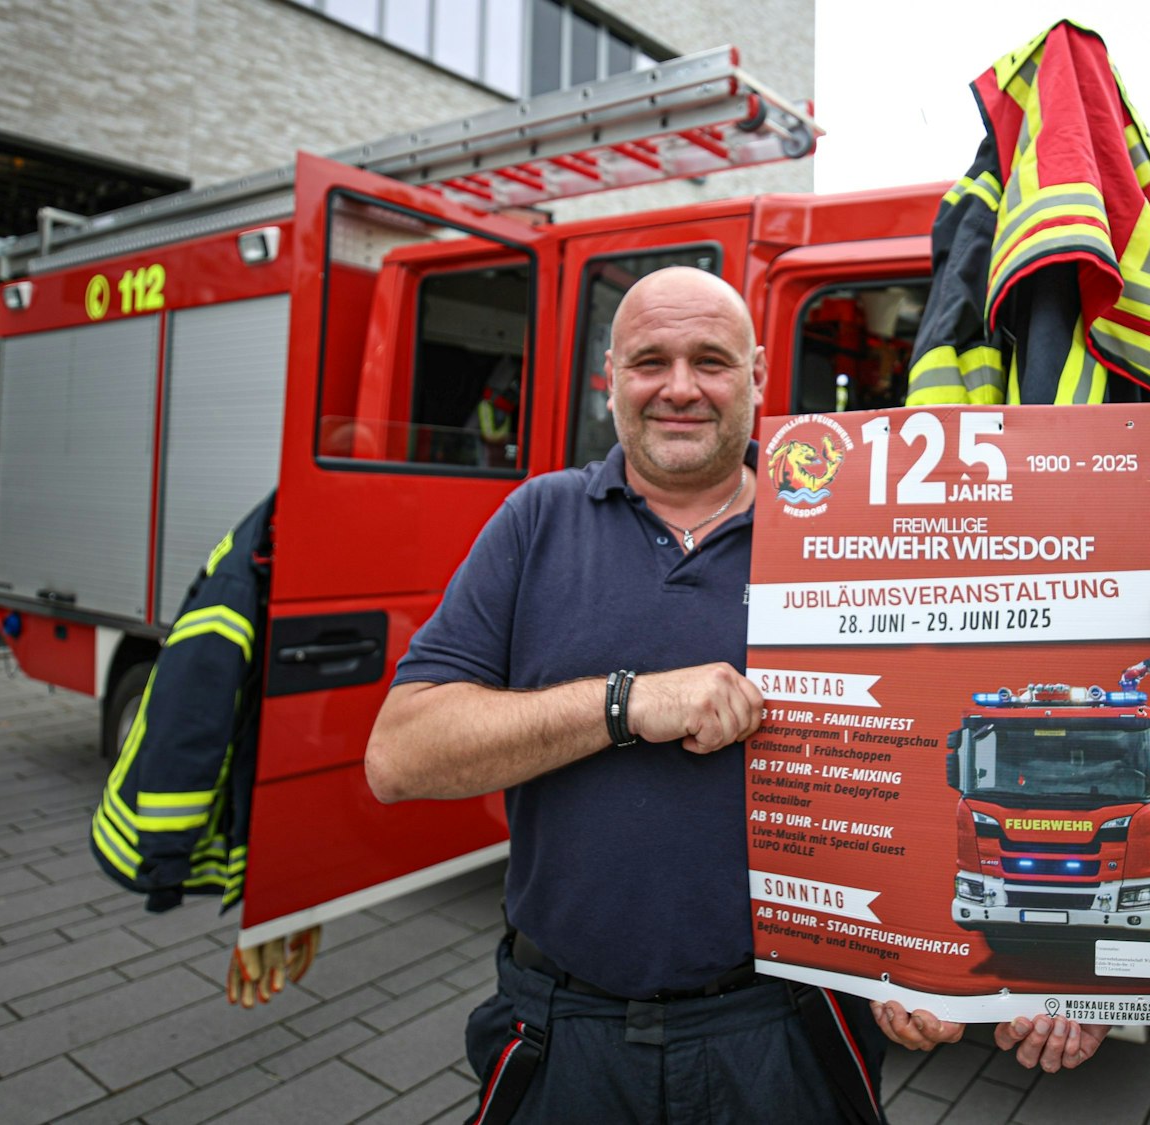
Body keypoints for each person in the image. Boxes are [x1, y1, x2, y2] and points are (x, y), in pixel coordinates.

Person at [364, 267, 887, 1124]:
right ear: (610, 379)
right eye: (650, 360)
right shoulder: (538, 519)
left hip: (786, 1030)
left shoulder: (842, 530)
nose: (680, 387)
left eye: (711, 361)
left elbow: (932, 747)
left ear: (758, 375)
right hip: (565, 1031)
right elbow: (396, 756)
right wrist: (623, 705)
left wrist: (934, 970)